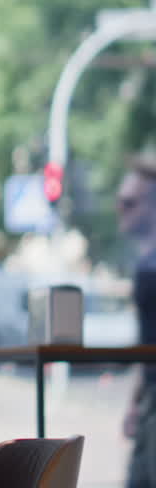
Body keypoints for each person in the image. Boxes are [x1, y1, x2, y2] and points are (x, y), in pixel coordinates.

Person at [122, 156, 156, 488]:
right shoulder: (145, 263)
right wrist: (136, 400)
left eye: (129, 202)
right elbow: (146, 339)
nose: (121, 209)